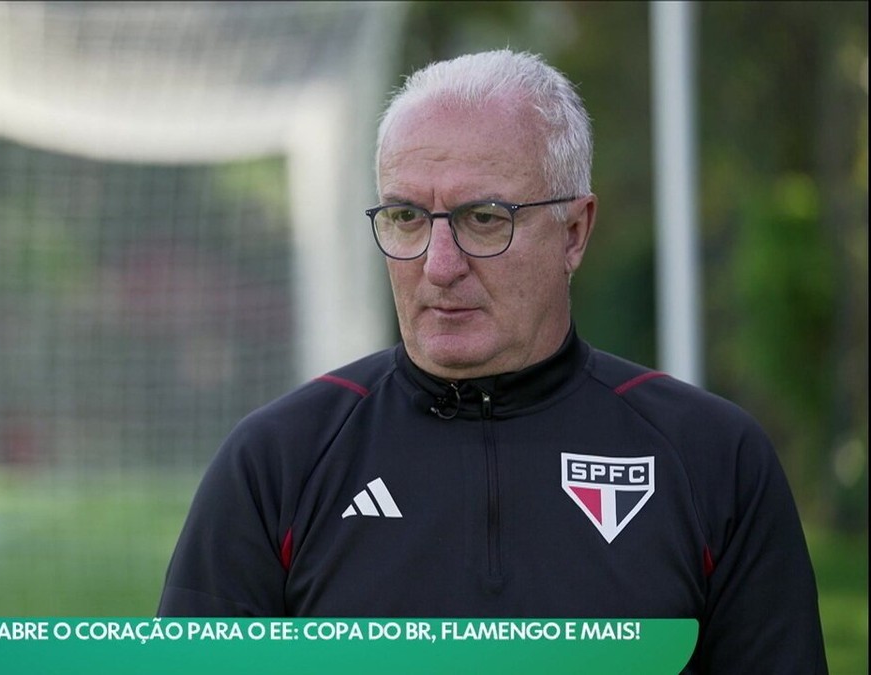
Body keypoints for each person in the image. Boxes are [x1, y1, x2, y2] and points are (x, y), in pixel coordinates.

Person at [157, 49, 827, 673]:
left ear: (573, 230)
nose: (439, 266)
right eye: (406, 217)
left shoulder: (712, 458)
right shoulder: (278, 463)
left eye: (483, 218)